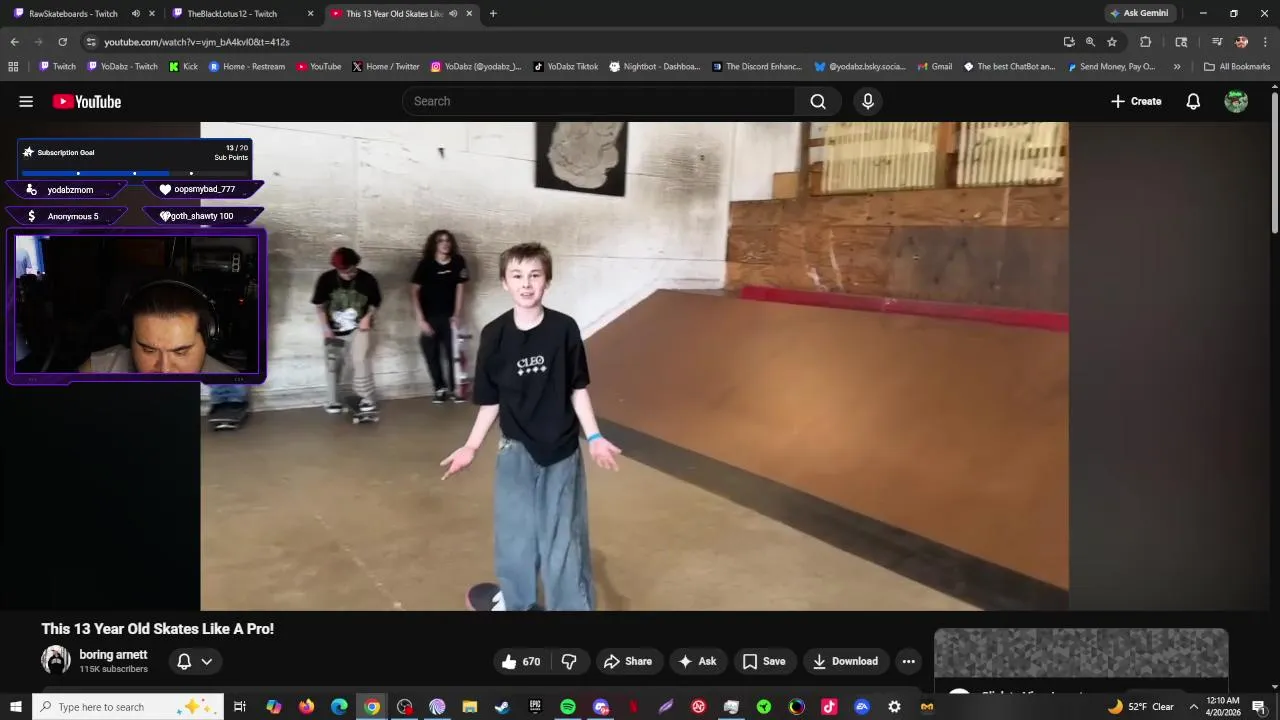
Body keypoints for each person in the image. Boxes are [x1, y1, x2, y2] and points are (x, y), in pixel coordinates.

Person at [439, 242, 623, 612]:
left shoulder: (563, 329)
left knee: (563, 539)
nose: (526, 284)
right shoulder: (494, 335)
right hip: (515, 450)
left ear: (547, 282)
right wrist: (471, 446)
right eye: (517, 275)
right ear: (505, 282)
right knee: (515, 535)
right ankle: (516, 604)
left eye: (535, 275)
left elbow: (576, 389)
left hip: (561, 451)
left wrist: (594, 436)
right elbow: (491, 400)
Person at [79, 279, 237, 373]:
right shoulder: (95, 372)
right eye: (148, 350)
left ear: (208, 342)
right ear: (128, 338)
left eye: (181, 352)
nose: (164, 370)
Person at [311, 247, 382, 414]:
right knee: (332, 365)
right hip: (334, 330)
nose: (347, 275)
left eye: (350, 271)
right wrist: (325, 329)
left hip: (359, 329)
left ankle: (367, 398)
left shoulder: (367, 279)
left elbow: (375, 303)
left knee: (360, 361)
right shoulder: (326, 279)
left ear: (355, 264)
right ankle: (333, 401)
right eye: (342, 272)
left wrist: (368, 317)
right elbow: (319, 306)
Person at [410, 229, 470, 403]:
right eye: (440, 241)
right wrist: (420, 319)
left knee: (454, 354)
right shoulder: (426, 264)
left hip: (450, 317)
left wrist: (457, 315)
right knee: (431, 353)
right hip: (430, 317)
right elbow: (414, 291)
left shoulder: (458, 262)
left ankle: (455, 388)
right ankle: (439, 388)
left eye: (448, 240)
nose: (445, 244)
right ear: (434, 244)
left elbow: (460, 288)